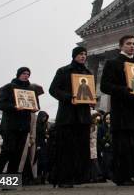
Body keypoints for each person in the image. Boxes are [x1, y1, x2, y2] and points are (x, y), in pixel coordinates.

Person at [100, 35, 134, 186]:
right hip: (121, 109)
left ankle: (120, 170)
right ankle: (123, 176)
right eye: (128, 44)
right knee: (124, 142)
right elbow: (104, 86)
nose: (132, 46)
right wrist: (123, 90)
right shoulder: (112, 63)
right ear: (121, 46)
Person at [48, 46, 93, 188]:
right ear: (74, 56)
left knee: (80, 148)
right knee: (65, 148)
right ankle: (63, 178)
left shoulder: (88, 73)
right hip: (67, 116)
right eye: (80, 54)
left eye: (85, 54)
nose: (83, 56)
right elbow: (53, 89)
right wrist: (69, 97)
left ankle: (77, 177)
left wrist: (91, 100)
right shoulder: (63, 71)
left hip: (83, 117)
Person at [0, 67, 39, 176]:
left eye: (28, 74)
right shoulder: (9, 87)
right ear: (18, 74)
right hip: (10, 125)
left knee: (18, 154)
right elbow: (1, 104)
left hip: (24, 126)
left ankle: (11, 179)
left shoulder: (31, 89)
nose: (26, 76)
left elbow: (36, 105)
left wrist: (35, 108)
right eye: (24, 73)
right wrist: (14, 107)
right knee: (7, 151)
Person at [35, 111, 50, 185]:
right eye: (44, 117)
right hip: (39, 145)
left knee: (44, 162)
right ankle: (39, 178)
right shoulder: (37, 125)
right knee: (40, 162)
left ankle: (43, 178)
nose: (44, 119)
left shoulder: (44, 125)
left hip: (43, 145)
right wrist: (37, 145)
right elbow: (37, 136)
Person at [97, 112, 113, 181]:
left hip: (112, 147)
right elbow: (99, 137)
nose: (108, 120)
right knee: (106, 161)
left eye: (109, 119)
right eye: (107, 119)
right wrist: (104, 143)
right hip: (104, 148)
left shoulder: (113, 127)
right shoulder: (101, 127)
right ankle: (106, 174)